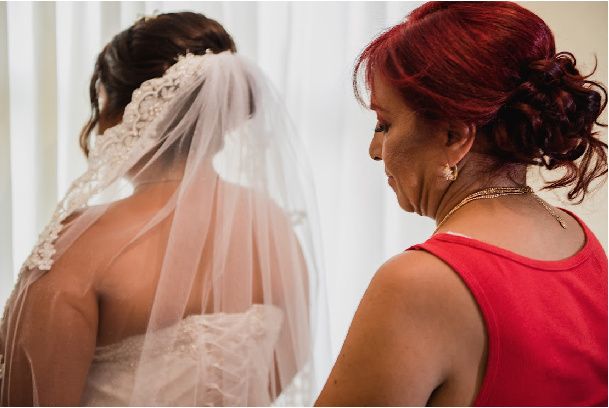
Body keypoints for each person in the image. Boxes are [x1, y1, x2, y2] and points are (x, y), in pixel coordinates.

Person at [0, 12, 329, 406]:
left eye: (100, 106)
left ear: (123, 113)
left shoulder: (78, 246)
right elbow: (285, 364)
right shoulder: (271, 226)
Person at [316, 2, 607, 406]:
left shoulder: (419, 283)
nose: (374, 150)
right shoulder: (577, 237)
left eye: (385, 124)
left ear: (454, 136)